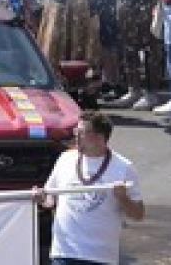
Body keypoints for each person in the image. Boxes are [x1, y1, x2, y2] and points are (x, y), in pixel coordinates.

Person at [36, 111, 144, 265]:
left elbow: (138, 215)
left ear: (100, 138)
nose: (76, 138)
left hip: (99, 256)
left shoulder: (123, 167)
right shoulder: (65, 159)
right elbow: (49, 199)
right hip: (64, 252)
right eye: (76, 132)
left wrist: (123, 198)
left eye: (82, 133)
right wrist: (40, 198)